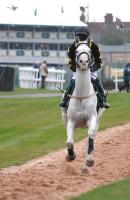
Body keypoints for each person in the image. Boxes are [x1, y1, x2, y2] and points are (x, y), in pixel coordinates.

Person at [59, 26, 110, 109]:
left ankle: (103, 100)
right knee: (73, 80)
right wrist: (75, 68)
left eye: (82, 36)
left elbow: (99, 60)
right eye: (79, 36)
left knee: (96, 80)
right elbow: (69, 59)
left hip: (91, 68)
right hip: (78, 68)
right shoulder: (73, 46)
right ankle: (65, 99)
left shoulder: (93, 45)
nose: (81, 38)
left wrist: (92, 68)